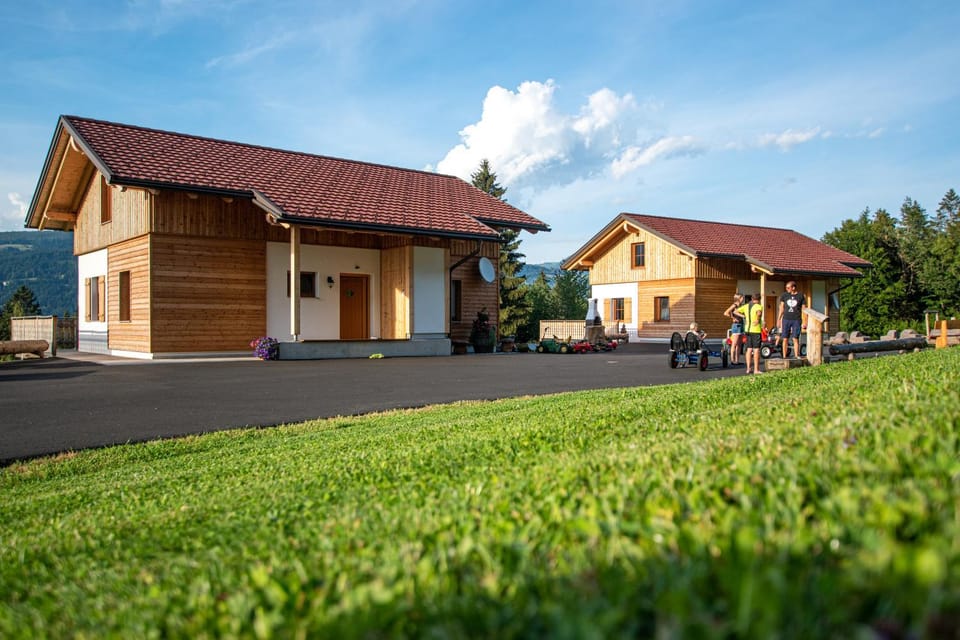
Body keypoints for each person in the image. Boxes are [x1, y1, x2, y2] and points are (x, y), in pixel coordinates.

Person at [777, 281, 806, 358]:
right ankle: (784, 356)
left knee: (795, 338)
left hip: (796, 319)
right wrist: (779, 319)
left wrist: (804, 321)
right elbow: (781, 308)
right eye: (786, 288)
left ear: (793, 287)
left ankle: (796, 355)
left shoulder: (800, 296)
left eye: (788, 288)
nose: (787, 289)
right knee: (785, 338)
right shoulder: (784, 295)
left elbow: (804, 309)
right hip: (786, 319)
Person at [737, 292, 764, 374]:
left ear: (752, 299)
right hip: (755, 330)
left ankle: (748, 368)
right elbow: (759, 313)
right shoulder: (759, 306)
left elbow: (735, 311)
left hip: (747, 330)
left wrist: (743, 316)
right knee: (756, 350)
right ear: (759, 299)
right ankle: (756, 369)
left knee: (749, 349)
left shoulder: (746, 306)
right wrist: (758, 319)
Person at [723, 293, 744, 364]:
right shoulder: (734, 305)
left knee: (739, 344)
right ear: (739, 298)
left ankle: (737, 360)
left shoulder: (741, 306)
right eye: (742, 298)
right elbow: (726, 312)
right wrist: (733, 318)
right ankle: (732, 360)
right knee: (734, 344)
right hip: (736, 325)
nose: (743, 299)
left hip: (741, 324)